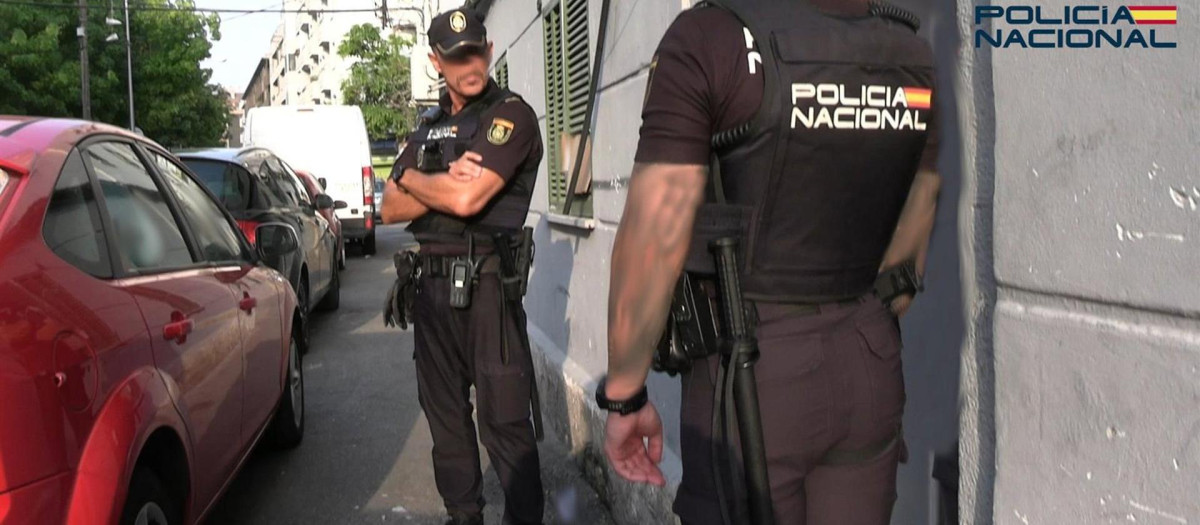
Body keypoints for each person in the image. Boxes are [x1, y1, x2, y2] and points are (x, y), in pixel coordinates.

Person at [599, 0, 941, 524]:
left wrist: (624, 395)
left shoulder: (711, 36)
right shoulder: (910, 51)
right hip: (870, 355)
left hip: (753, 368)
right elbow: (913, 236)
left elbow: (655, 233)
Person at [380, 7, 545, 525]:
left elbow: (471, 200)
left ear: (488, 50)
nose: (469, 64)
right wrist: (439, 182)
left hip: (488, 290)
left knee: (506, 429)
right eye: (455, 57)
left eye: (476, 51)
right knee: (447, 428)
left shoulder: (511, 114)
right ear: (436, 62)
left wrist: (413, 179)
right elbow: (387, 207)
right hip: (430, 294)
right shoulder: (427, 125)